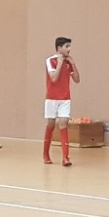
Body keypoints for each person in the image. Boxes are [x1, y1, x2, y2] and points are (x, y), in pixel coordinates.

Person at [44, 37, 80, 166]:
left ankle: (66, 157)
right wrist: (59, 63)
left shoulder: (68, 62)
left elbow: (77, 79)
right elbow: (53, 78)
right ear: (59, 48)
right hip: (51, 98)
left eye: (70, 46)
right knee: (51, 125)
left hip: (65, 99)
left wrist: (73, 64)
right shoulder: (50, 60)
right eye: (66, 46)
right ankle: (45, 154)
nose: (69, 49)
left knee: (63, 124)